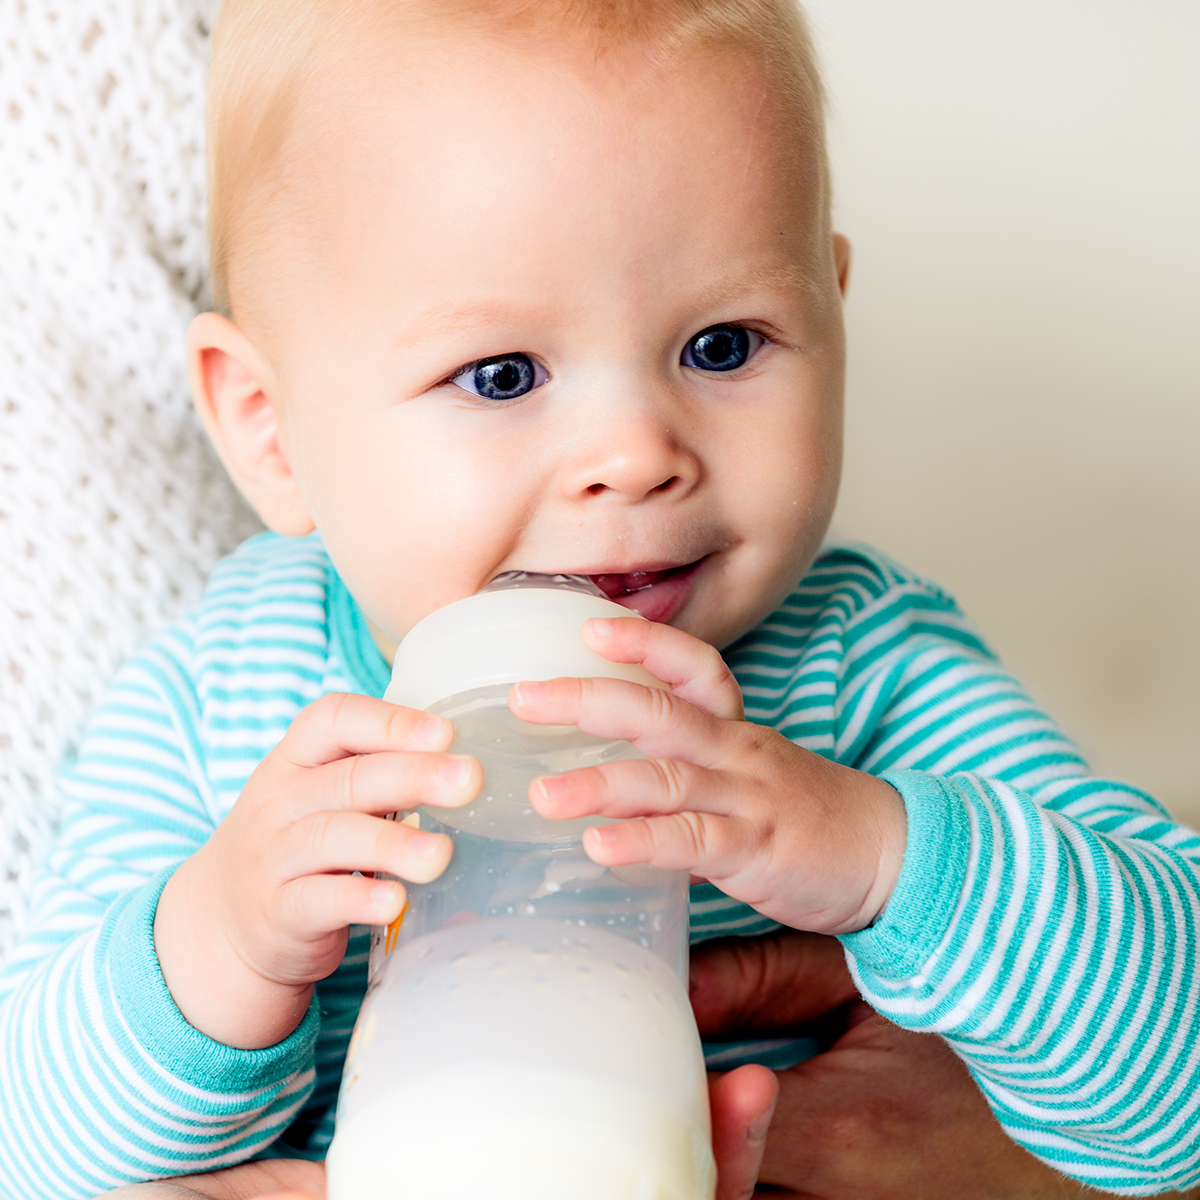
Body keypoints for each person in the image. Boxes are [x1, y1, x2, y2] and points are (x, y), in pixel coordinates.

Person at [2, 0, 1199, 1196]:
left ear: (833, 311)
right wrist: (215, 946)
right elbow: (32, 1150)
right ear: (268, 430)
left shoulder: (863, 665)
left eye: (724, 346)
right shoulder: (223, 694)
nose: (635, 453)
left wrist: (886, 856)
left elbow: (1178, 1092)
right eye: (502, 374)